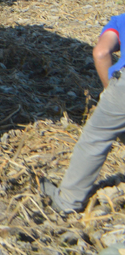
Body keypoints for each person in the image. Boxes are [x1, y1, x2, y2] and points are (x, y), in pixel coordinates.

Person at [41, 14, 125, 213]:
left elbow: (101, 53)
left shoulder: (121, 21)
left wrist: (109, 91)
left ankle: (68, 201)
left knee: (95, 139)